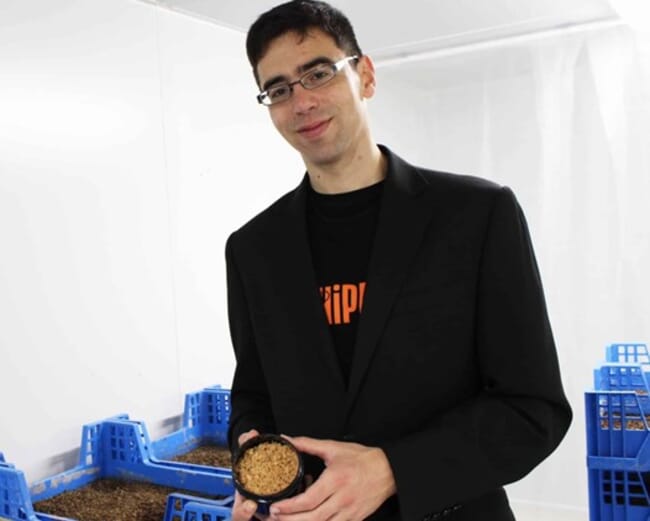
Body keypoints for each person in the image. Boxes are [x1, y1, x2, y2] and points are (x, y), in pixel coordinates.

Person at [225, 1, 572, 520]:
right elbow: (253, 396)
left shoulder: (477, 215)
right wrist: (251, 456)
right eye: (278, 89)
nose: (301, 102)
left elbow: (532, 409)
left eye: (318, 73)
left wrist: (393, 469)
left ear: (364, 76)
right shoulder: (253, 248)